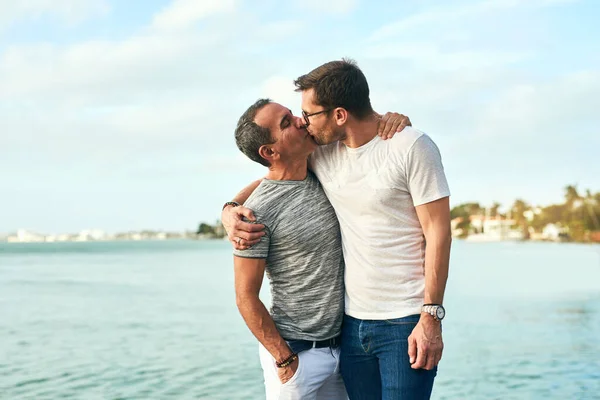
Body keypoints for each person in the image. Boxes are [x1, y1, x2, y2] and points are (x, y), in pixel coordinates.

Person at [223, 59, 451, 400]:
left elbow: (439, 233)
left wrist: (431, 315)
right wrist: (228, 210)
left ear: (339, 114)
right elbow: (273, 179)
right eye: (291, 119)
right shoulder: (313, 160)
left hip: (392, 325)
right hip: (328, 337)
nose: (303, 122)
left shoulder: (397, 147)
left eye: (306, 114)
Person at [231, 98, 408, 399]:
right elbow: (245, 297)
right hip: (296, 355)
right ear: (269, 152)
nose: (300, 121)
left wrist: (390, 119)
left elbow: (359, 133)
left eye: (292, 114)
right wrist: (285, 360)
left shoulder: (321, 169)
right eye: (286, 123)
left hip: (347, 348)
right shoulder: (255, 215)